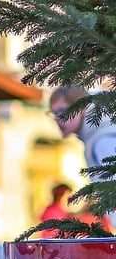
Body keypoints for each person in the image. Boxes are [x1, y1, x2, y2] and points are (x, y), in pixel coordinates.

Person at [49, 85, 116, 228]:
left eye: (62, 111)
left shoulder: (102, 139)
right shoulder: (99, 134)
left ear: (82, 108)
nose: (58, 119)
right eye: (53, 113)